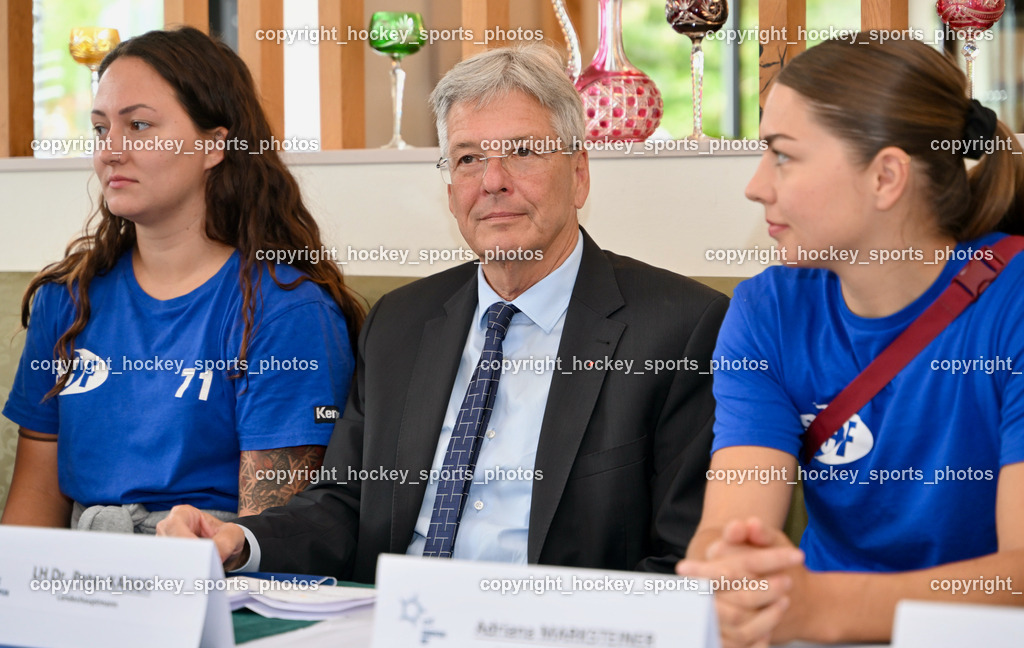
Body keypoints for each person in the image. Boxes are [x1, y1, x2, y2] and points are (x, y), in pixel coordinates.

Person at [158, 44, 728, 581]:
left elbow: (685, 559)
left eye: (523, 152)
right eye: (468, 158)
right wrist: (240, 540)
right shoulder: (399, 322)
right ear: (450, 185)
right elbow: (345, 504)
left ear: (578, 173)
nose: (493, 181)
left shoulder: (681, 330)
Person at [676, 35, 1024, 647]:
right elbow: (730, 525)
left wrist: (819, 607)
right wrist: (729, 574)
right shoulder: (765, 312)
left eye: (782, 156)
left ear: (886, 176)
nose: (756, 186)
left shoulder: (1013, 305)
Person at [1, 27, 364, 533]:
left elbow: (275, 542)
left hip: (212, 576)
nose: (111, 151)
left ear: (215, 147)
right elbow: (32, 515)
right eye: (101, 129)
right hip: (78, 575)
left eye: (140, 126)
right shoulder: (66, 298)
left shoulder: (288, 310)